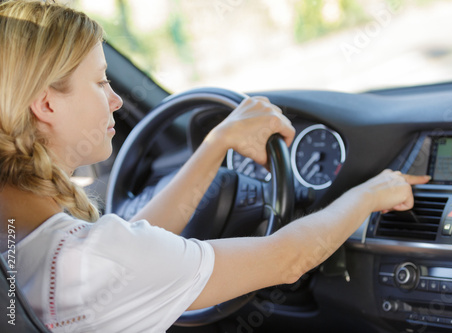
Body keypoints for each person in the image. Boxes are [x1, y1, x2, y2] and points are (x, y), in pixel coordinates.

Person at [0, 1, 430, 332]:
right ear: (46, 103)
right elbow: (291, 259)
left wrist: (216, 146)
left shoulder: (30, 237)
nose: (115, 99)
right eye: (99, 82)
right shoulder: (93, 260)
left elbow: (131, 247)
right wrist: (371, 194)